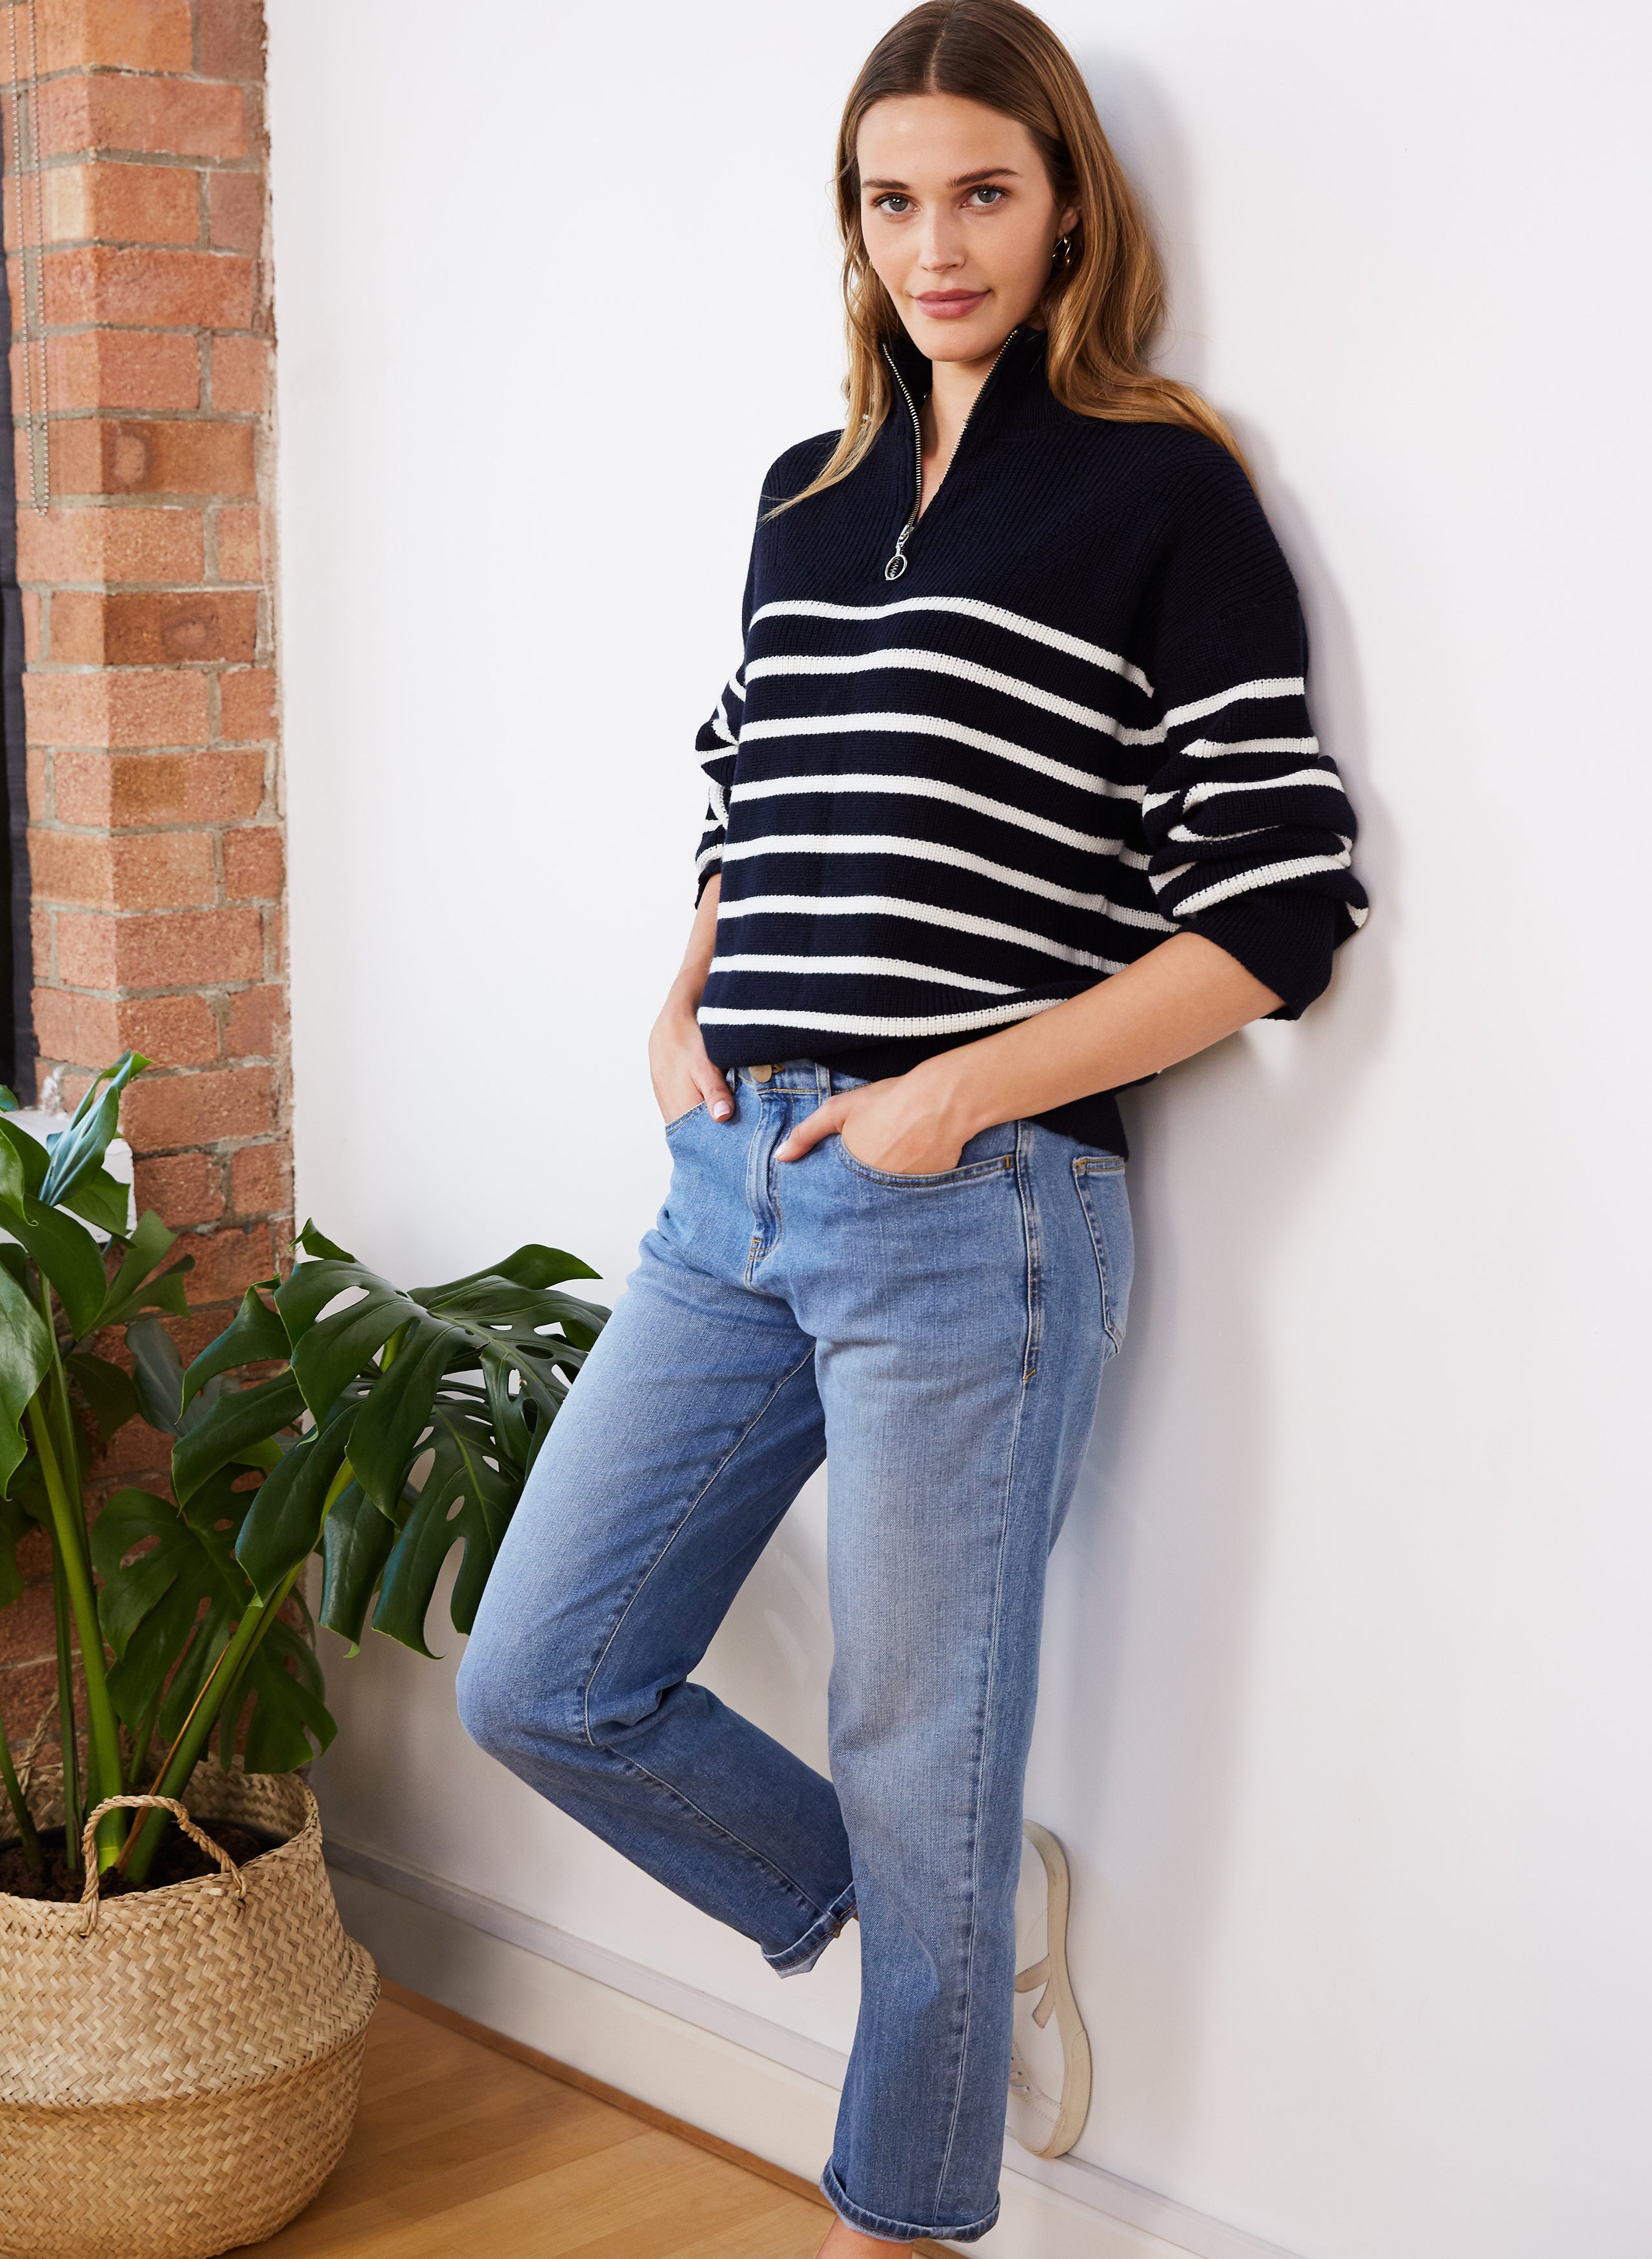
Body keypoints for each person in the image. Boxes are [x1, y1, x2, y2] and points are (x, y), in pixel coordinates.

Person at [457, 1, 1365, 2248]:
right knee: (541, 1674)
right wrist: (683, 995)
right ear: (852, 224)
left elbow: (1276, 909)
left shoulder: (1160, 487)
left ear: (1068, 209)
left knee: (912, 1744)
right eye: (894, 200)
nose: (936, 245)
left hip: (978, 1207)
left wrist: (959, 1090)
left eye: (983, 193)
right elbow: (748, 781)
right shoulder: (809, 490)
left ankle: (897, 2208)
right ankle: (944, 1899)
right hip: (734, 1184)